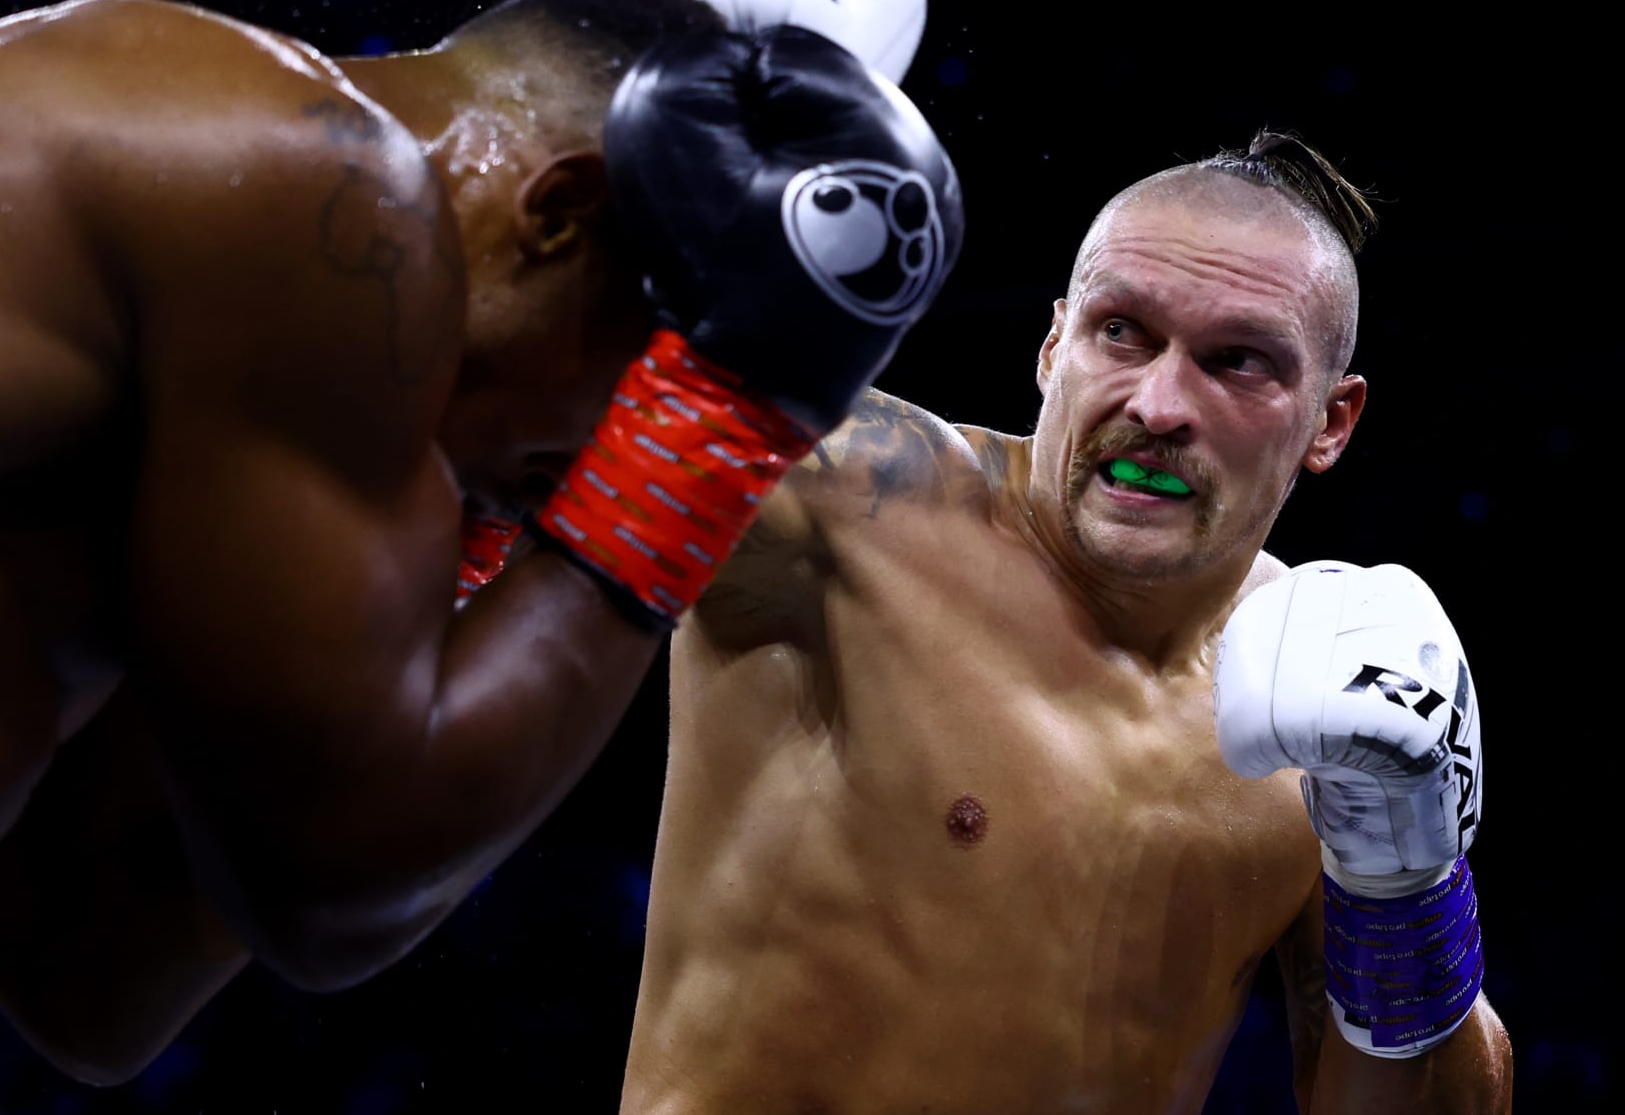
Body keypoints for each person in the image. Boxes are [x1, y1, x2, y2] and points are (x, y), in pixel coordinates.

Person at [0, 0, 963, 1106]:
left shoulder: (153, 360)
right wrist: (710, 444)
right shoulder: (325, 180)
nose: (596, 464)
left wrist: (460, 544)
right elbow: (338, 883)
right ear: (561, 212)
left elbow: (93, 971)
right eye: (646, 383)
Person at [620, 131, 1513, 1112]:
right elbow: (507, 376)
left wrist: (1405, 884)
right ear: (1054, 346)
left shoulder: (1333, 692)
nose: (1161, 403)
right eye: (1121, 332)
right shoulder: (843, 507)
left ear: (1330, 423)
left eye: (1238, 361)